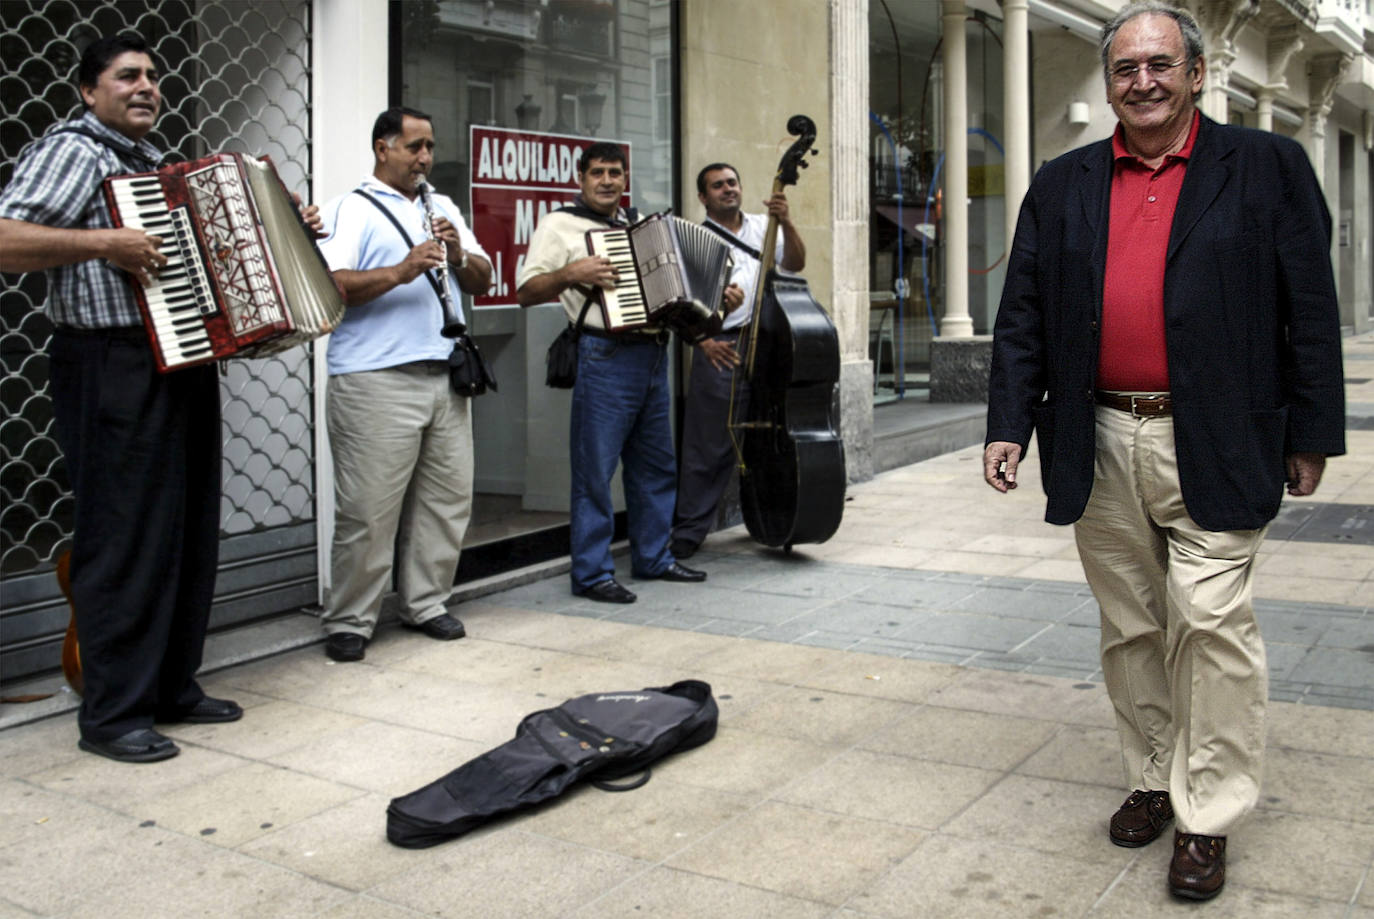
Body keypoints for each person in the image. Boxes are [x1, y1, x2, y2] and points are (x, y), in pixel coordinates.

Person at [983, 1, 1345, 901]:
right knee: (1134, 625)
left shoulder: (1267, 166)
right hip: (1098, 434)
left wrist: (1311, 431)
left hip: (1219, 436)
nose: (1141, 81)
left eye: (1159, 65)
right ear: (1109, 83)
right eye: (1124, 68)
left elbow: (1310, 306)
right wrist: (1007, 424)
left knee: (1213, 625)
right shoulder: (1063, 182)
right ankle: (1152, 775)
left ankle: (1208, 814)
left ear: (1193, 74)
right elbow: (1022, 312)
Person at [0, 33, 249, 762]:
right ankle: (112, 714)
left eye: (154, 76)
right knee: (125, 535)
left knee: (187, 528)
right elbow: (6, 236)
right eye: (127, 76)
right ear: (88, 90)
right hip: (110, 361)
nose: (147, 86)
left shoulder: (153, 164)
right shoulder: (75, 148)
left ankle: (173, 685)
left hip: (178, 358)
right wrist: (105, 244)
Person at [314, 107, 492, 663]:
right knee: (368, 511)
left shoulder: (442, 208)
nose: (424, 158)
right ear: (382, 148)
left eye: (430, 147)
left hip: (443, 378)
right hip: (375, 380)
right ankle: (349, 619)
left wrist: (459, 253)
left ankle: (426, 603)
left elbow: (483, 278)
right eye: (414, 146)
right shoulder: (351, 209)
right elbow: (331, 286)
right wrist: (402, 270)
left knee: (445, 502)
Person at [516, 142, 706, 603]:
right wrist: (570, 272)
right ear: (580, 179)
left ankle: (653, 557)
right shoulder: (559, 224)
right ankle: (592, 573)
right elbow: (526, 289)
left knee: (656, 466)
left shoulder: (637, 227)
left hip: (652, 354)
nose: (607, 181)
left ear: (625, 178)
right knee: (595, 472)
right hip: (603, 356)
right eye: (597, 172)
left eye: (615, 173)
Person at [669, 163, 805, 559]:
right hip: (722, 346)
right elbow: (677, 304)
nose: (728, 189)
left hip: (768, 344)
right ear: (703, 197)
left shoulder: (766, 226)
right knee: (708, 443)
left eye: (732, 182)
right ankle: (690, 530)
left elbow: (795, 263)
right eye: (717, 186)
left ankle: (773, 515)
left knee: (769, 437)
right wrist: (703, 340)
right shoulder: (692, 240)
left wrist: (788, 222)